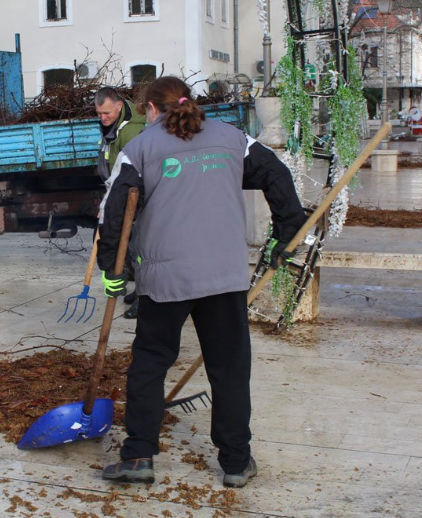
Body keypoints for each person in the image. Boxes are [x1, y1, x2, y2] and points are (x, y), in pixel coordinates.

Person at [96, 76, 307, 488]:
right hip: (223, 276)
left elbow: (116, 211)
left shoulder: (139, 149)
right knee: (229, 370)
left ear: (152, 111)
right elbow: (276, 175)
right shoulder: (234, 139)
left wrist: (113, 270)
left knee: (150, 365)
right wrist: (287, 232)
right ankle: (235, 462)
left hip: (165, 278)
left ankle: (138, 456)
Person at [94, 87, 146, 318]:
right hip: (118, 192)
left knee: (138, 248)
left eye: (106, 113)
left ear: (118, 105)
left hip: (134, 196)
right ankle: (140, 290)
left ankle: (146, 297)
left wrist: (111, 203)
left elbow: (131, 171)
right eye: (99, 114)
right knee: (131, 247)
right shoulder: (114, 125)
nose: (103, 117)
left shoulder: (132, 131)